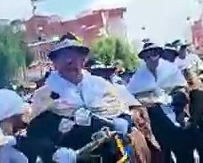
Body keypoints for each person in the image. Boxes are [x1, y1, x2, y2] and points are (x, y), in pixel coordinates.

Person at [24, 35, 138, 163]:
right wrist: (53, 152)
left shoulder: (101, 85)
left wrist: (122, 122)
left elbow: (124, 112)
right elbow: (35, 135)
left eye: (74, 56)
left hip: (109, 155)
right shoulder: (44, 94)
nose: (69, 61)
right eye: (63, 57)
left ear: (83, 60)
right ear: (55, 63)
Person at [128, 41, 197, 163]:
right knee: (163, 150)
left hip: (176, 113)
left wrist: (174, 102)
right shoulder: (138, 77)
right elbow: (134, 97)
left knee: (184, 147)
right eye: (147, 56)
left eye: (154, 54)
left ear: (159, 54)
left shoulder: (170, 69)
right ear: (144, 58)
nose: (151, 58)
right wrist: (151, 101)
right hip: (156, 120)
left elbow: (182, 87)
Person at [170, 44, 203, 162]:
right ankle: (199, 152)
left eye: (184, 47)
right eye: (180, 48)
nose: (182, 50)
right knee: (190, 126)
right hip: (184, 98)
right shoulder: (172, 65)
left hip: (197, 93)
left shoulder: (193, 58)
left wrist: (201, 84)